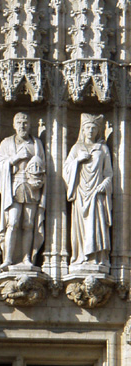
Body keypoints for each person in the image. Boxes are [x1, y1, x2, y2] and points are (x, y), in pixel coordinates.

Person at [0, 112, 47, 269]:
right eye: (19, 122)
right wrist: (15, 158)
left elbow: (43, 167)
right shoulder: (6, 143)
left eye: (25, 122)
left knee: (29, 223)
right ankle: (8, 258)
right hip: (14, 185)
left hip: (32, 187)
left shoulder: (36, 144)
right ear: (13, 125)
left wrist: (39, 179)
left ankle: (27, 258)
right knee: (13, 222)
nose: (22, 125)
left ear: (29, 125)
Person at [63, 113, 112, 267]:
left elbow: (109, 173)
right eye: (87, 128)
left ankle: (98, 258)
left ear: (98, 131)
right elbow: (65, 169)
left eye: (93, 128)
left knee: (97, 224)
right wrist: (77, 160)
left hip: (96, 194)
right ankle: (80, 257)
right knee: (80, 226)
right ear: (82, 130)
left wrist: (104, 185)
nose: (90, 131)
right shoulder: (76, 148)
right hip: (80, 193)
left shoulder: (102, 149)